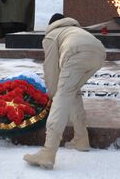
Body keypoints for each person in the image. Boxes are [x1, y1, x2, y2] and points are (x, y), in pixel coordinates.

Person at [23, 13, 106, 170]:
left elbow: (51, 68)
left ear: (51, 25)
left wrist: (52, 94)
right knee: (72, 91)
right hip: (99, 53)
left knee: (63, 96)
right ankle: (81, 139)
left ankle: (47, 153)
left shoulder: (51, 35)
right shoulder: (74, 30)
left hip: (76, 52)